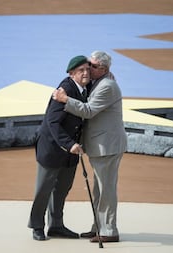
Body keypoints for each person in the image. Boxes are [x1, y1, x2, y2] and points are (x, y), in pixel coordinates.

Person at [52, 51, 126, 243]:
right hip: (101, 145)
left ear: (103, 69)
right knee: (99, 190)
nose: (88, 68)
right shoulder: (102, 81)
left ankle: (109, 230)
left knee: (106, 189)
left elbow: (89, 111)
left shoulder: (107, 86)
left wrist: (65, 100)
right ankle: (98, 227)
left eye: (92, 66)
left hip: (107, 146)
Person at [28, 55, 90, 241]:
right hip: (53, 149)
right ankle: (37, 226)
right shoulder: (64, 90)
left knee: (62, 189)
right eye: (81, 70)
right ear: (71, 73)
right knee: (44, 189)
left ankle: (56, 226)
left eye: (88, 69)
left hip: (70, 153)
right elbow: (52, 122)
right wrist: (69, 144)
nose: (86, 73)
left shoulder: (85, 88)